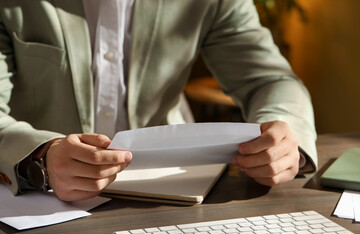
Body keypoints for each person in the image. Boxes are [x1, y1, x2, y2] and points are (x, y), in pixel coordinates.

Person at [0, 0, 317, 202]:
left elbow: (270, 80)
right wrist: (42, 157)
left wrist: (284, 137)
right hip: (37, 199)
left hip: (177, 193)